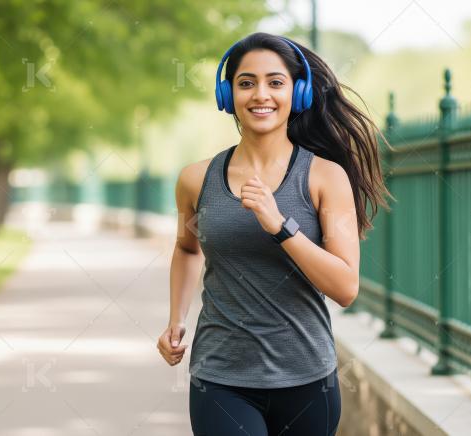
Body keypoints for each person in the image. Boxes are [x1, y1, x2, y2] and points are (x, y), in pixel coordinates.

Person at [156, 32, 391, 435]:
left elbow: (345, 287)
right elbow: (187, 248)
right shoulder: (196, 180)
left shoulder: (324, 178)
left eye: (275, 82)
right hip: (220, 378)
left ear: (297, 94)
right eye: (246, 82)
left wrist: (281, 226)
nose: (260, 94)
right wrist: (176, 318)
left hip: (307, 381)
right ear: (227, 94)